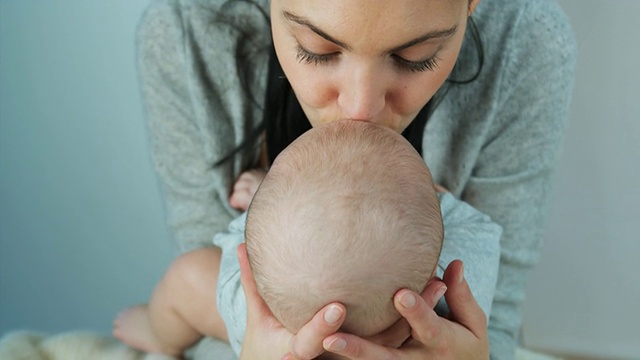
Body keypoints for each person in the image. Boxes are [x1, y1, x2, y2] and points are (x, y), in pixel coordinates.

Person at [135, 0, 577, 358]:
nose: (360, 110)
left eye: (414, 57)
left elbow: (492, 324)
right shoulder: (183, 36)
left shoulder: (528, 42)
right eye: (317, 49)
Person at [113, 120, 502, 358]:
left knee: (189, 277)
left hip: (269, 342)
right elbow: (482, 234)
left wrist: (260, 201)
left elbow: (243, 242)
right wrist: (441, 199)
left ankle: (160, 334)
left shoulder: (246, 302)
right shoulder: (442, 309)